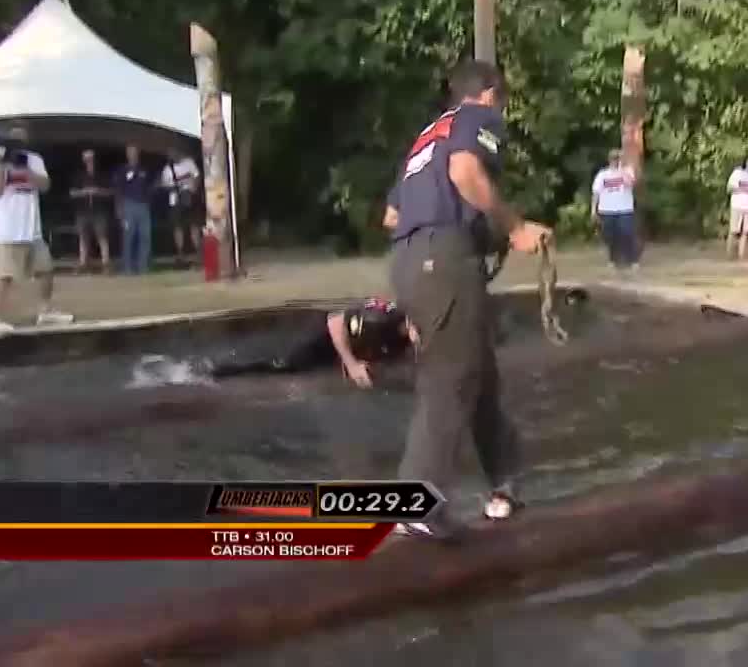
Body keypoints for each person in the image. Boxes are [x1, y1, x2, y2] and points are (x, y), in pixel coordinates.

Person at [384, 58, 550, 540]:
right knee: (451, 377)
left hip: (410, 260)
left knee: (477, 373)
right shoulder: (476, 119)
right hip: (444, 260)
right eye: (503, 99)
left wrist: (476, 236)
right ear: (490, 93)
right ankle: (414, 503)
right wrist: (514, 229)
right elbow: (465, 170)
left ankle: (504, 487)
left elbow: (392, 216)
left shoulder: (425, 137)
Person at [0, 125, 73, 332]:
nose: (19, 142)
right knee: (3, 275)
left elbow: (45, 185)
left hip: (31, 229)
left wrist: (27, 170)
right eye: (14, 138)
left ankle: (45, 311)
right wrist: (2, 164)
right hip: (5, 230)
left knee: (46, 270)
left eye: (22, 138)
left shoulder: (34, 159)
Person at [209, 297, 413, 386]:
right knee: (284, 365)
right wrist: (351, 364)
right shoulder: (382, 317)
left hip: (339, 346)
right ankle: (221, 372)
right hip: (323, 334)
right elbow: (334, 321)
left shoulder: (404, 336)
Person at [590, 149, 639, 271]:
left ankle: (633, 260)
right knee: (610, 236)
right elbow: (596, 193)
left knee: (627, 234)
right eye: (614, 158)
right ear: (609, 160)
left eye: (618, 158)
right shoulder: (602, 174)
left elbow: (631, 183)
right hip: (607, 210)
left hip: (625, 209)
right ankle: (612, 260)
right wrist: (593, 210)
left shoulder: (628, 171)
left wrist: (622, 169)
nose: (616, 161)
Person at [69, 149, 114, 273]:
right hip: (83, 211)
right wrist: (84, 192)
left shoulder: (102, 175)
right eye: (86, 158)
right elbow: (72, 193)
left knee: (102, 237)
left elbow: (111, 192)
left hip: (99, 210)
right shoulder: (78, 175)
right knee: (83, 238)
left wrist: (98, 191)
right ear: (83, 160)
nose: (89, 160)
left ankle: (106, 264)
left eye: (91, 158)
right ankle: (83, 263)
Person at [114, 143, 155, 275]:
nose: (133, 155)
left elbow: (150, 188)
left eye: (135, 152)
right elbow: (118, 191)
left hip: (143, 206)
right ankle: (127, 267)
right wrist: (119, 209)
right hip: (128, 205)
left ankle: (142, 266)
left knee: (145, 236)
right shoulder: (122, 171)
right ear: (127, 154)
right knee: (128, 236)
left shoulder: (144, 170)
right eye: (130, 152)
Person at [160, 148, 203, 266]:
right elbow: (164, 185)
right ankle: (180, 254)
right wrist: (174, 188)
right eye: (170, 155)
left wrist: (194, 188)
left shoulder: (188, 163)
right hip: (175, 201)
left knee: (194, 226)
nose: (173, 156)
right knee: (178, 227)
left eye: (174, 153)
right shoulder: (167, 169)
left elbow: (197, 176)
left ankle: (199, 253)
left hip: (190, 198)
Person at [725, 156, 748, 260]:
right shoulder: (737, 173)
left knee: (745, 231)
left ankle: (741, 255)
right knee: (734, 230)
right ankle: (729, 254)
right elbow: (730, 187)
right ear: (745, 162)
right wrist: (743, 189)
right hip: (737, 204)